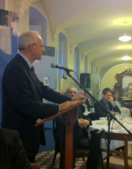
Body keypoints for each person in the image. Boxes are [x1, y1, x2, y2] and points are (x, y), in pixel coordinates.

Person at [1, 31, 83, 162]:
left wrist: (69, 100)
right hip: (20, 134)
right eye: (41, 46)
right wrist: (58, 108)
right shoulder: (16, 68)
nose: (44, 49)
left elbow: (44, 90)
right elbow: (25, 104)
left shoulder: (26, 67)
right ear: (32, 47)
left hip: (28, 133)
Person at [58, 86, 100, 169]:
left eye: (74, 93)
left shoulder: (76, 106)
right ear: (66, 94)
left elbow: (85, 117)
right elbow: (60, 120)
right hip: (67, 137)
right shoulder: (62, 106)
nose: (72, 94)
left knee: (96, 138)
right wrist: (77, 122)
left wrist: (88, 121)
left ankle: (91, 166)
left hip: (80, 138)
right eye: (70, 92)